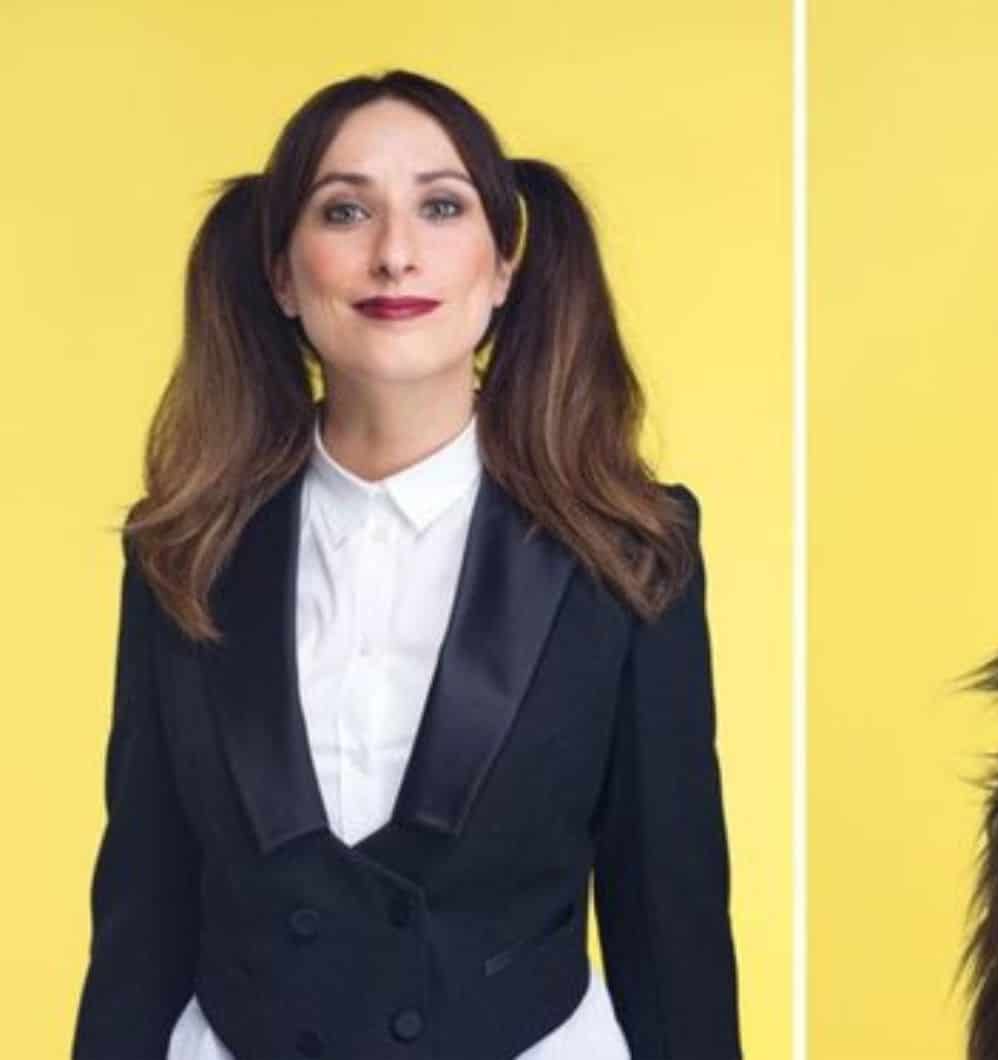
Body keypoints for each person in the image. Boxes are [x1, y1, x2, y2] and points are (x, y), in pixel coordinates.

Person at [71, 69, 740, 1060]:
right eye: (345, 211)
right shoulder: (182, 546)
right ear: (283, 274)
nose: (394, 254)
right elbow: (143, 908)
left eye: (440, 205)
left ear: (504, 264)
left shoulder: (629, 549)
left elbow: (669, 916)